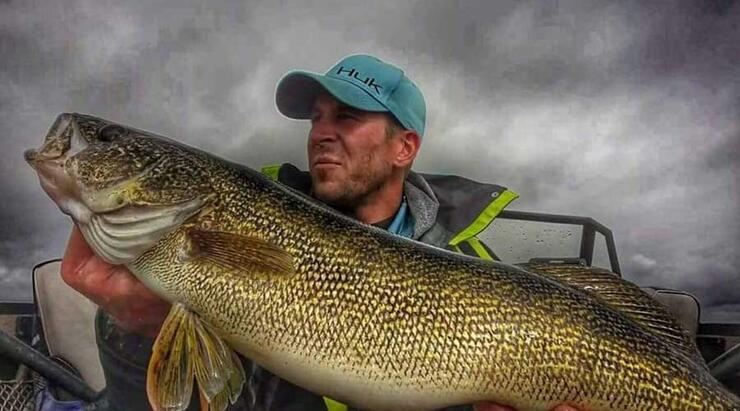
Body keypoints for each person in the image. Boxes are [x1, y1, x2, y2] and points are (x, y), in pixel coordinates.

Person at [61, 54, 578, 411]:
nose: (321, 133)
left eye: (347, 117)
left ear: (405, 147)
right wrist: (131, 332)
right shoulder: (243, 209)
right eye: (316, 118)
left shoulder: (476, 260)